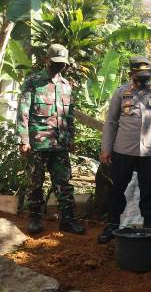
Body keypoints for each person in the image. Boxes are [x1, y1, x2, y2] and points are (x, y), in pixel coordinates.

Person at [97, 56, 151, 244]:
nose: (144, 79)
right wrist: (106, 149)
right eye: (140, 75)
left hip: (149, 152)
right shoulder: (121, 93)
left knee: (149, 191)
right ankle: (112, 225)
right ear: (131, 74)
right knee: (117, 189)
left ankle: (150, 228)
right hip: (123, 150)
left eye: (147, 75)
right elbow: (111, 122)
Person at [16, 44, 85, 235]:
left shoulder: (66, 86)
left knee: (64, 183)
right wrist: (24, 139)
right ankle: (35, 220)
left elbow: (68, 116)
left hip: (60, 144)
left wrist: (71, 137)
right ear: (47, 60)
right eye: (56, 63)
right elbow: (23, 112)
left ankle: (67, 221)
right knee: (35, 183)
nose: (59, 67)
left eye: (62, 64)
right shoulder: (33, 81)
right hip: (37, 144)